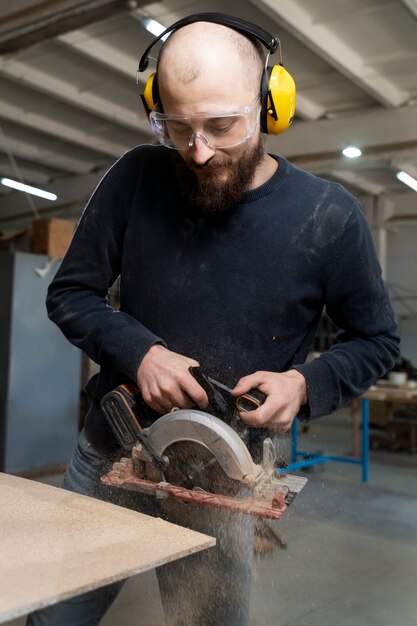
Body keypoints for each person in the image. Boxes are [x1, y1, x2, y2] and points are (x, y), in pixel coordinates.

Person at [26, 13, 399, 626]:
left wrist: (304, 384)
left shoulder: (330, 218)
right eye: (178, 127)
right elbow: (71, 294)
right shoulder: (134, 180)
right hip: (113, 452)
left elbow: (378, 341)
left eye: (222, 127)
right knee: (56, 617)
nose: (199, 152)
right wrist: (139, 351)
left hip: (220, 480)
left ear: (269, 104)